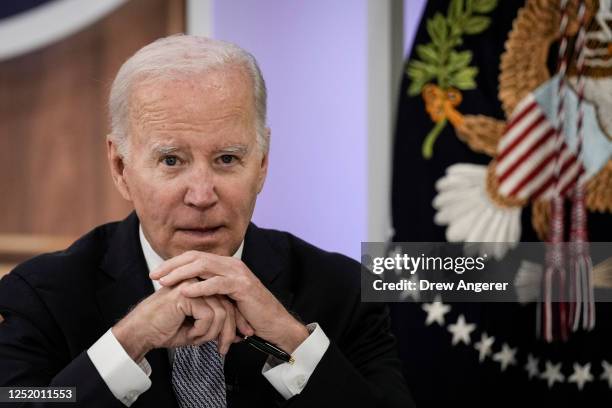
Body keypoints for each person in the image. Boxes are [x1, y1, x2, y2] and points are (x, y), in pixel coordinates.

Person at [0, 35, 413, 407]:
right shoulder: (43, 295)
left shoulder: (344, 291)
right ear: (120, 166)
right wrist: (128, 342)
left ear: (263, 162)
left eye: (227, 159)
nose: (201, 195)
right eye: (171, 160)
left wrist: (293, 342)